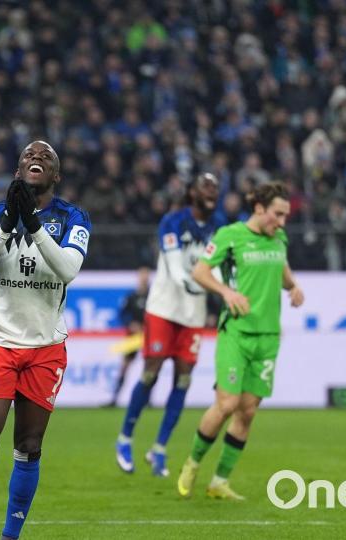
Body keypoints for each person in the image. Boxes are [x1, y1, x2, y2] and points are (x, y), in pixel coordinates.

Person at [0, 141, 91, 540]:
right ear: (18, 172)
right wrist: (7, 223)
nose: (37, 159)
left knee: (29, 445)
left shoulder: (73, 217)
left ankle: (10, 536)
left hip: (45, 347)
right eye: (29, 157)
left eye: (46, 158)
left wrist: (32, 223)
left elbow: (68, 270)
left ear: (57, 175)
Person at [176, 181, 304, 500]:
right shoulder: (230, 236)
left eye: (286, 216)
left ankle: (219, 481)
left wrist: (293, 287)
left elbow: (283, 269)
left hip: (269, 337)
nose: (282, 222)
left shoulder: (280, 238)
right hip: (236, 332)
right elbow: (200, 272)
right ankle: (192, 463)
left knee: (247, 412)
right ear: (259, 209)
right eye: (278, 214)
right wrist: (226, 292)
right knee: (227, 404)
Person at [116, 173, 224, 476]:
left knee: (184, 379)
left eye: (215, 187)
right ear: (192, 192)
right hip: (164, 308)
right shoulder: (173, 222)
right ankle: (125, 439)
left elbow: (225, 269)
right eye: (205, 187)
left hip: (193, 315)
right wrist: (207, 287)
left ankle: (159, 449)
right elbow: (177, 270)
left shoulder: (220, 229)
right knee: (151, 371)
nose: (211, 192)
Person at [104, 266, 149, 408]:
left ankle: (146, 400)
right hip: (134, 336)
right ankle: (115, 398)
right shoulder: (131, 297)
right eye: (142, 276)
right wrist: (131, 324)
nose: (144, 279)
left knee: (150, 368)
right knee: (125, 366)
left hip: (149, 336)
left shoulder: (153, 296)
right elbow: (122, 314)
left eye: (146, 276)